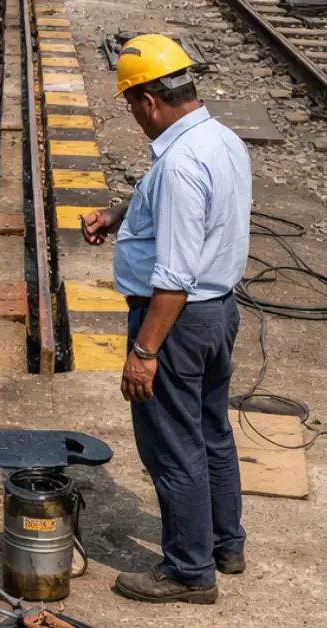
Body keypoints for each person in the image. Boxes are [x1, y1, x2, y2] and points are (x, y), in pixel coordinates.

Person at [82, 34, 250, 605]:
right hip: (219, 312)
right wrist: (121, 212)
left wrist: (144, 352)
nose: (134, 117)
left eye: (131, 105)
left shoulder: (178, 164)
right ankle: (227, 545)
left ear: (150, 100)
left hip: (176, 323)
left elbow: (174, 276)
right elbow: (186, 207)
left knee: (174, 448)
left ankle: (188, 572)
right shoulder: (220, 138)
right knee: (211, 433)